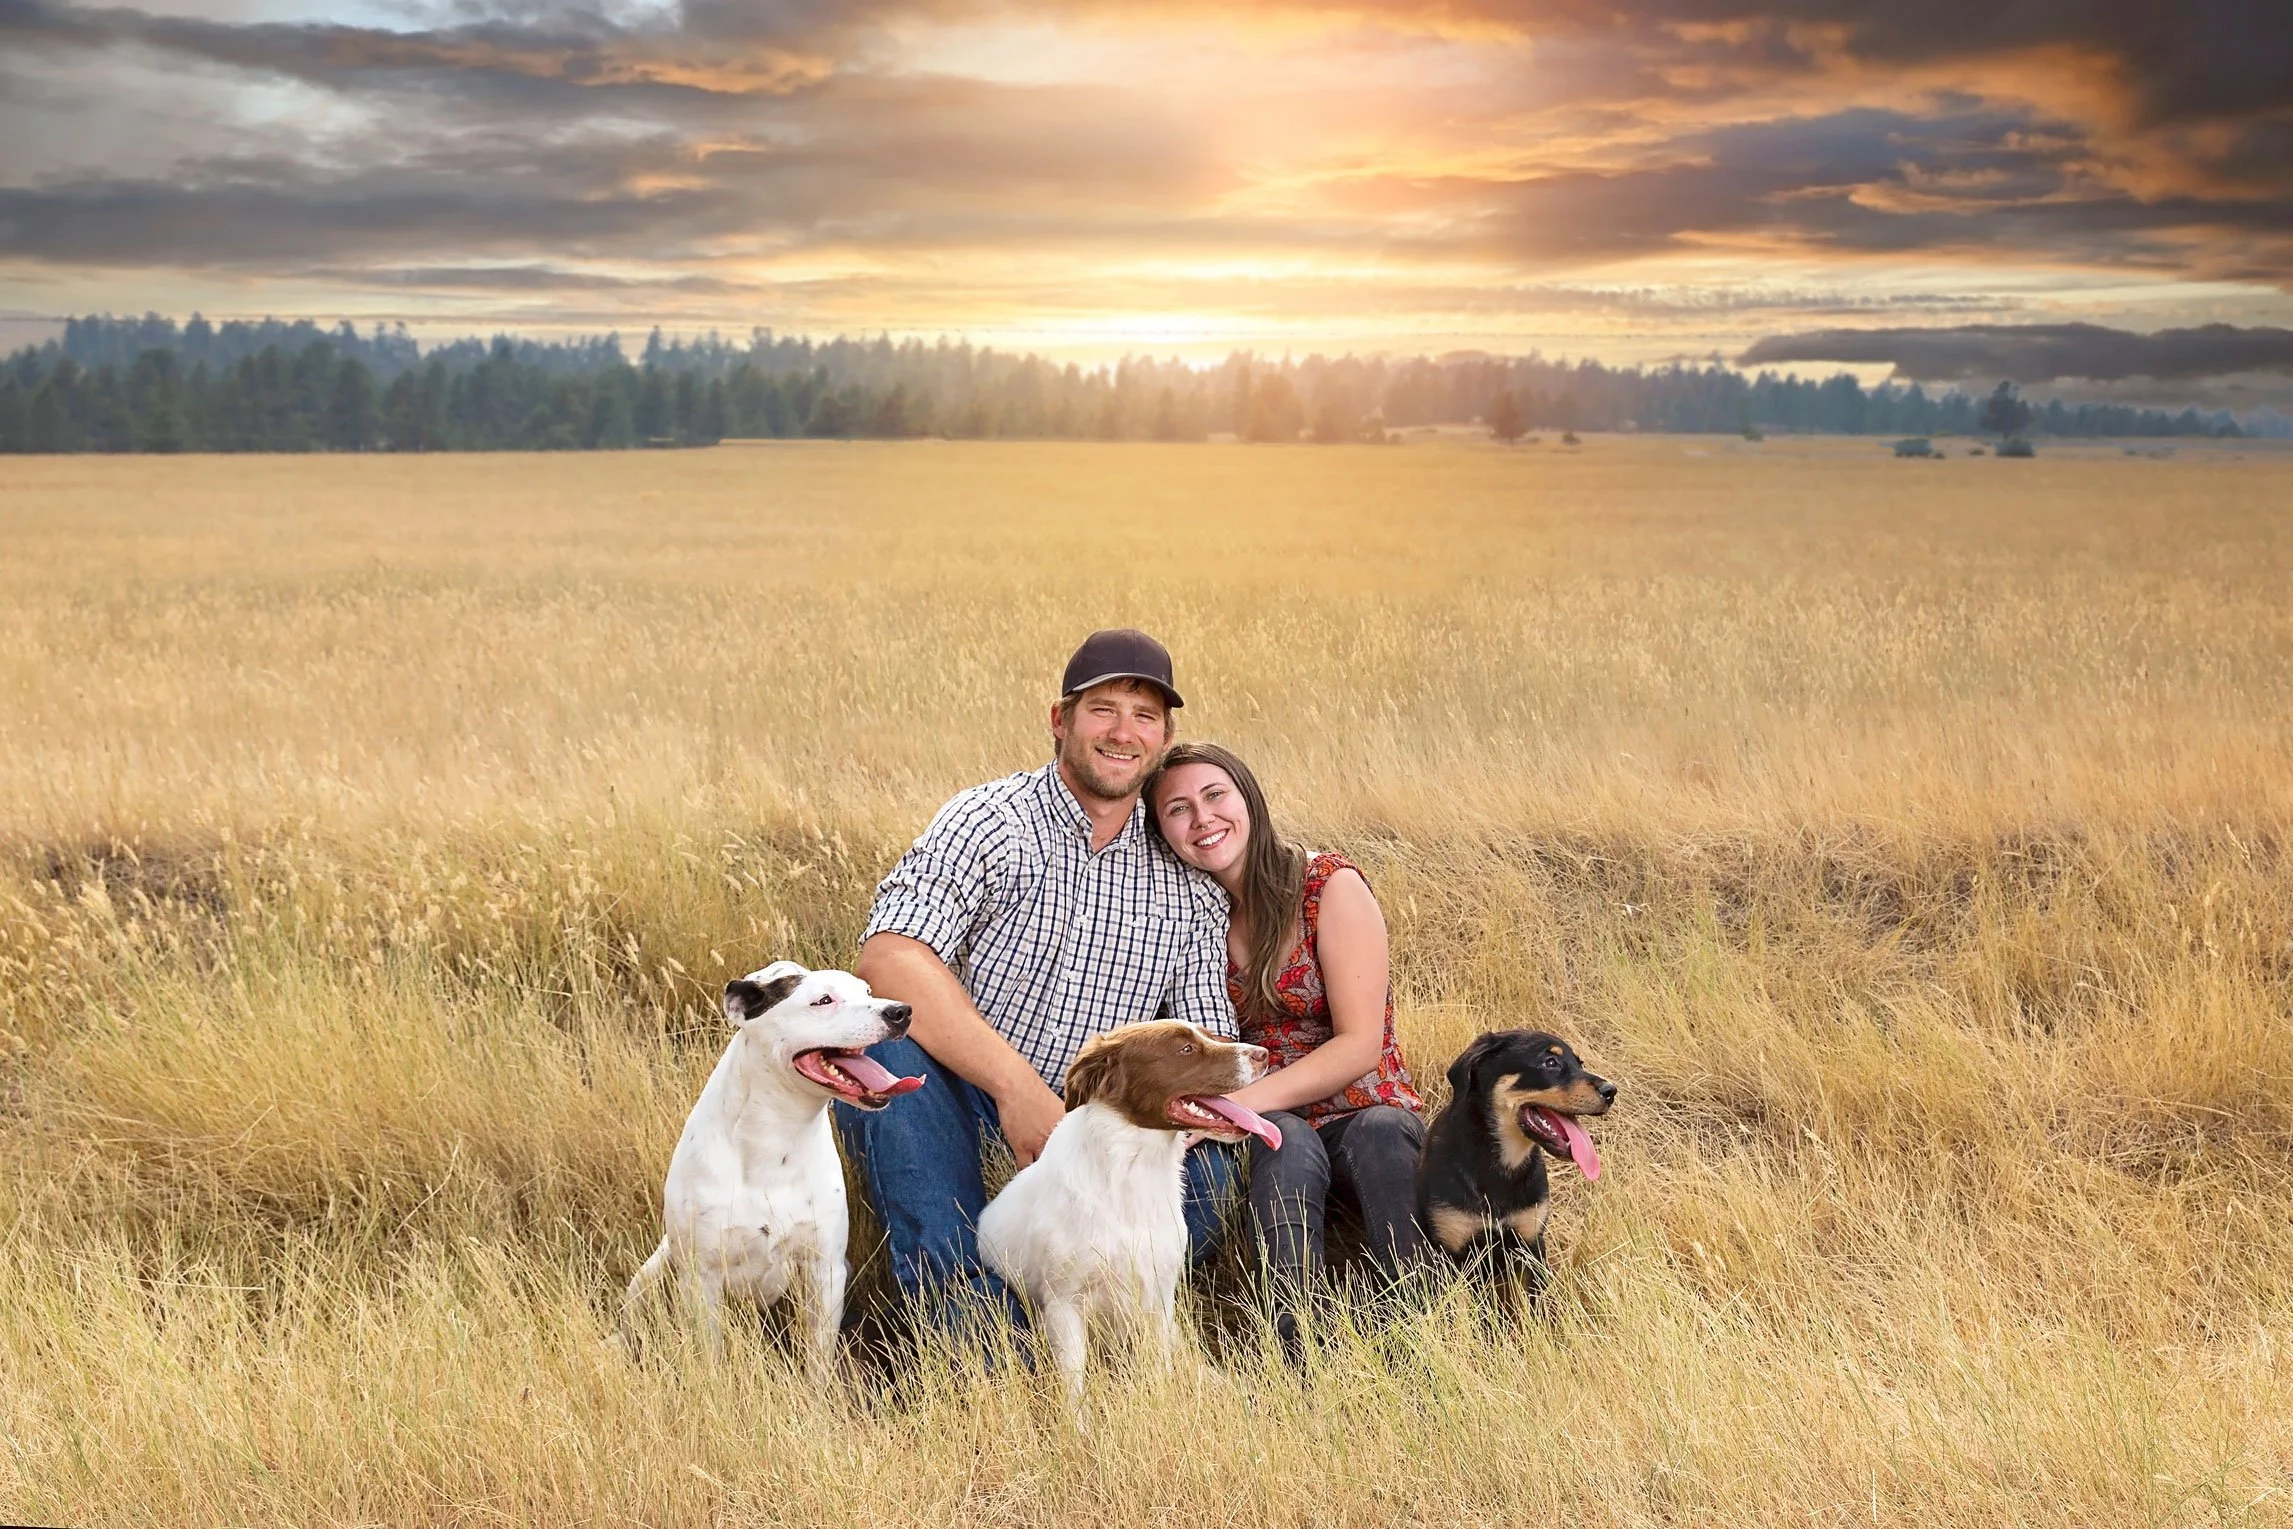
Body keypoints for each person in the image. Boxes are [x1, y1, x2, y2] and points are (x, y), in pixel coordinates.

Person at [834, 629, 1242, 1336]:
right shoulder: (988, 821)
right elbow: (889, 958)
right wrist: (1015, 1086)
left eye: (1144, 716)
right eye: (1102, 709)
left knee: (1215, 1168)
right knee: (884, 1050)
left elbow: (1206, 1052)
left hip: (1098, 1122)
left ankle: (1100, 1308)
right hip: (963, 1094)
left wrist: (1104, 1127)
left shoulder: (1187, 884)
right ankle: (966, 1319)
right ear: (1060, 719)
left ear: (1165, 734)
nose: (1123, 732)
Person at [1146, 741, 1425, 1357]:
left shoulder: (1327, 884)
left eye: (1215, 795)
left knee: (1381, 1132)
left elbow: (1359, 1044)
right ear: (1161, 830)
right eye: (1177, 809)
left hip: (1360, 1104)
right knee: (1283, 1144)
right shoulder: (1187, 913)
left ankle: (1421, 1334)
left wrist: (1237, 1105)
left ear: (1248, 796)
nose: (1202, 819)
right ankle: (1297, 1353)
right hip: (1269, 1119)